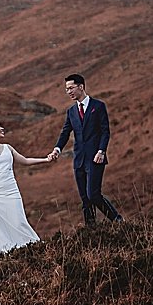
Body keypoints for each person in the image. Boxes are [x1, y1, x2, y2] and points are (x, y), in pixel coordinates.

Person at [48, 73, 124, 226]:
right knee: (85, 198)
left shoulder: (98, 106)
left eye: (71, 88)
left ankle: (118, 220)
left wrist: (101, 151)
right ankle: (91, 232)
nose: (68, 92)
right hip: (79, 160)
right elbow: (65, 132)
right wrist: (57, 149)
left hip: (96, 158)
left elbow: (105, 131)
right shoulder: (71, 111)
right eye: (66, 89)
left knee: (93, 195)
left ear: (81, 87)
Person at [0, 118, 54, 255]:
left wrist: (46, 159)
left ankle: (30, 249)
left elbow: (26, 160)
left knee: (18, 221)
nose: (2, 128)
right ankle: (1, 255)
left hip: (11, 191)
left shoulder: (8, 148)